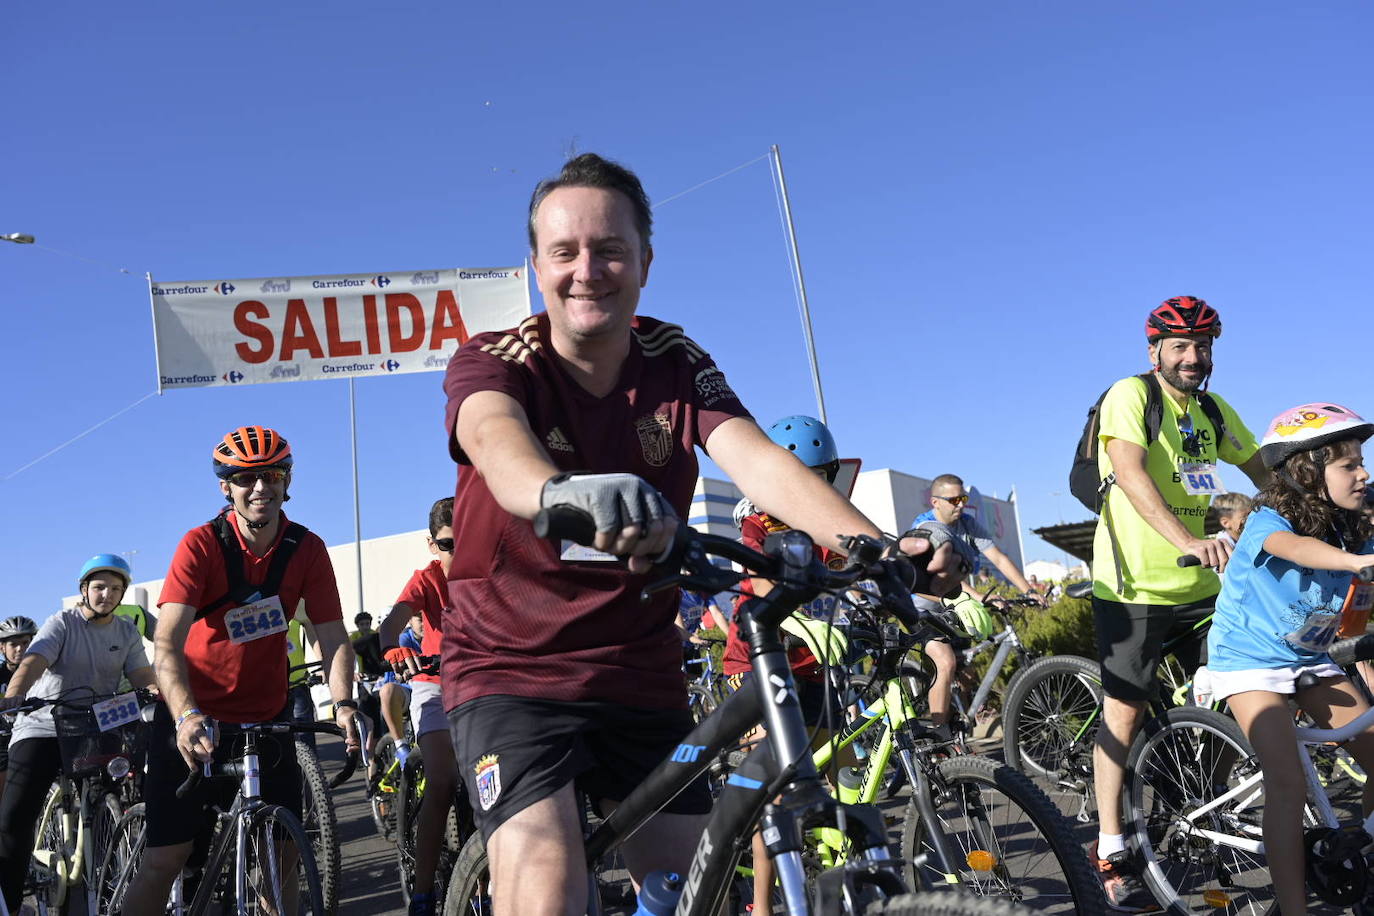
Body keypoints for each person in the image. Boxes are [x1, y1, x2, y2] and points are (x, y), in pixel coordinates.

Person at [440, 153, 962, 916]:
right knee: (548, 881)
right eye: (565, 252)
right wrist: (559, 489)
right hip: (513, 671)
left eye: (610, 249)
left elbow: (757, 460)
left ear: (645, 262)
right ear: (535, 268)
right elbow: (496, 442)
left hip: (637, 668)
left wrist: (877, 550)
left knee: (697, 894)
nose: (588, 270)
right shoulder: (496, 357)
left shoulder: (675, 360)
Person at [120, 426, 360, 916]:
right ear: (225, 486)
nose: (260, 488)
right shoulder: (202, 545)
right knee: (168, 858)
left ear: (286, 480)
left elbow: (333, 636)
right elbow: (166, 641)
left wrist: (345, 703)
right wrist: (185, 715)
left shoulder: (306, 549)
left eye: (271, 475)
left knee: (282, 858)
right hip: (194, 719)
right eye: (245, 478)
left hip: (265, 720)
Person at [1089, 297, 1269, 911]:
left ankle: (1192, 799)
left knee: (1232, 690)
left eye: (1204, 345)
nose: (1194, 357)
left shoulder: (1213, 410)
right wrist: (1189, 539)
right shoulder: (1131, 395)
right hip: (1135, 585)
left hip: (1203, 588)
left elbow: (1265, 472)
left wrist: (1318, 512)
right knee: (1126, 709)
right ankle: (1111, 847)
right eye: (1181, 346)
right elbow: (1131, 473)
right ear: (1155, 351)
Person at [1205, 403, 1374, 916]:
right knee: (1287, 783)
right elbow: (1294, 547)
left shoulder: (1351, 523)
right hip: (1249, 659)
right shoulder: (1266, 520)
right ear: (1305, 470)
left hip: (1308, 655)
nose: (1363, 472)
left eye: (1362, 459)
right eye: (1348, 464)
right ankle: (1294, 909)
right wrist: (1354, 562)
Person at [0, 556, 155, 913]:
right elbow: (33, 661)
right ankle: (7, 901)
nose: (107, 595)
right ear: (84, 590)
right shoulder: (62, 623)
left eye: (115, 589)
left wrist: (165, 694)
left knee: (108, 800)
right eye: (100, 587)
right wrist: (15, 694)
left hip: (94, 726)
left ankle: (104, 888)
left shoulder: (126, 631)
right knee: (15, 817)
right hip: (43, 723)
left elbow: (141, 674)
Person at [906, 473, 1043, 734]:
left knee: (967, 671)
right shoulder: (924, 527)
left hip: (955, 605)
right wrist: (978, 597)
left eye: (964, 498)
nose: (961, 505)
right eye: (954, 499)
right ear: (936, 502)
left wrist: (1029, 590)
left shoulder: (968, 525)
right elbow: (941, 574)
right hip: (922, 606)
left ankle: (964, 721)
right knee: (946, 662)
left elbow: (999, 558)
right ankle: (939, 736)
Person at [378, 497, 459, 916]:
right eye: (447, 545)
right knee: (443, 780)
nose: (457, 553)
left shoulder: (491, 569)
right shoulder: (426, 580)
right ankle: (424, 894)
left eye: (466, 541)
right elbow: (393, 621)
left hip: (485, 685)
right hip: (434, 686)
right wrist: (392, 647)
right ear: (431, 545)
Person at [0, 616, 37, 796]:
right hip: (3, 740)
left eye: (25, 643)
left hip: (36, 734)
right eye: (13, 644)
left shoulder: (43, 672)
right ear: (2, 648)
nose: (20, 649)